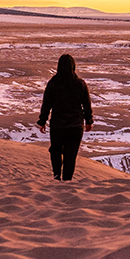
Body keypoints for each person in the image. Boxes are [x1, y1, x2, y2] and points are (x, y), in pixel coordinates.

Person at [37, 53, 93, 181]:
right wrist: (89, 120)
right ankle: (67, 179)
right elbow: (86, 104)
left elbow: (46, 104)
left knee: (55, 151)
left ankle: (57, 175)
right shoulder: (80, 84)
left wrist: (42, 121)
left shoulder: (53, 83)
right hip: (75, 126)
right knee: (70, 155)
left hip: (58, 125)